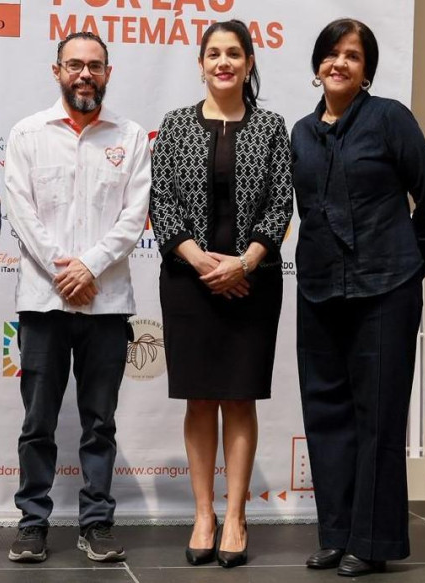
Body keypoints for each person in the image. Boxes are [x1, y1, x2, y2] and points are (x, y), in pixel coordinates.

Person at [292, 18, 425, 577]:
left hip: (385, 291)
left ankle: (372, 542)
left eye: (352, 56)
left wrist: (409, 268)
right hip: (317, 291)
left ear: (367, 70)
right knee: (326, 414)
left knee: (378, 418)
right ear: (317, 66)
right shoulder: (301, 134)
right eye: (332, 54)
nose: (340, 63)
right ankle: (336, 535)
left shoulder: (389, 119)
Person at [149, 20, 293, 569]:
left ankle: (235, 516)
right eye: (214, 54)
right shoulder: (177, 125)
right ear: (202, 63)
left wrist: (247, 261)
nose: (224, 62)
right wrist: (199, 259)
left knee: (239, 396)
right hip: (189, 283)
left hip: (253, 283)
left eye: (234, 53)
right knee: (200, 397)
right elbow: (162, 204)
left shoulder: (271, 127)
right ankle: (203, 513)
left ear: (250, 62)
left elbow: (282, 203)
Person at [4, 31, 150, 564]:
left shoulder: (131, 136)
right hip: (44, 301)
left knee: (99, 422)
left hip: (107, 302)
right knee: (37, 422)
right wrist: (65, 268)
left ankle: (96, 523)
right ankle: (32, 523)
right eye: (74, 65)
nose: (84, 74)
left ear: (107, 72)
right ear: (57, 71)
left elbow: (135, 216)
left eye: (94, 66)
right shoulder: (27, 133)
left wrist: (89, 265)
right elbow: (19, 209)